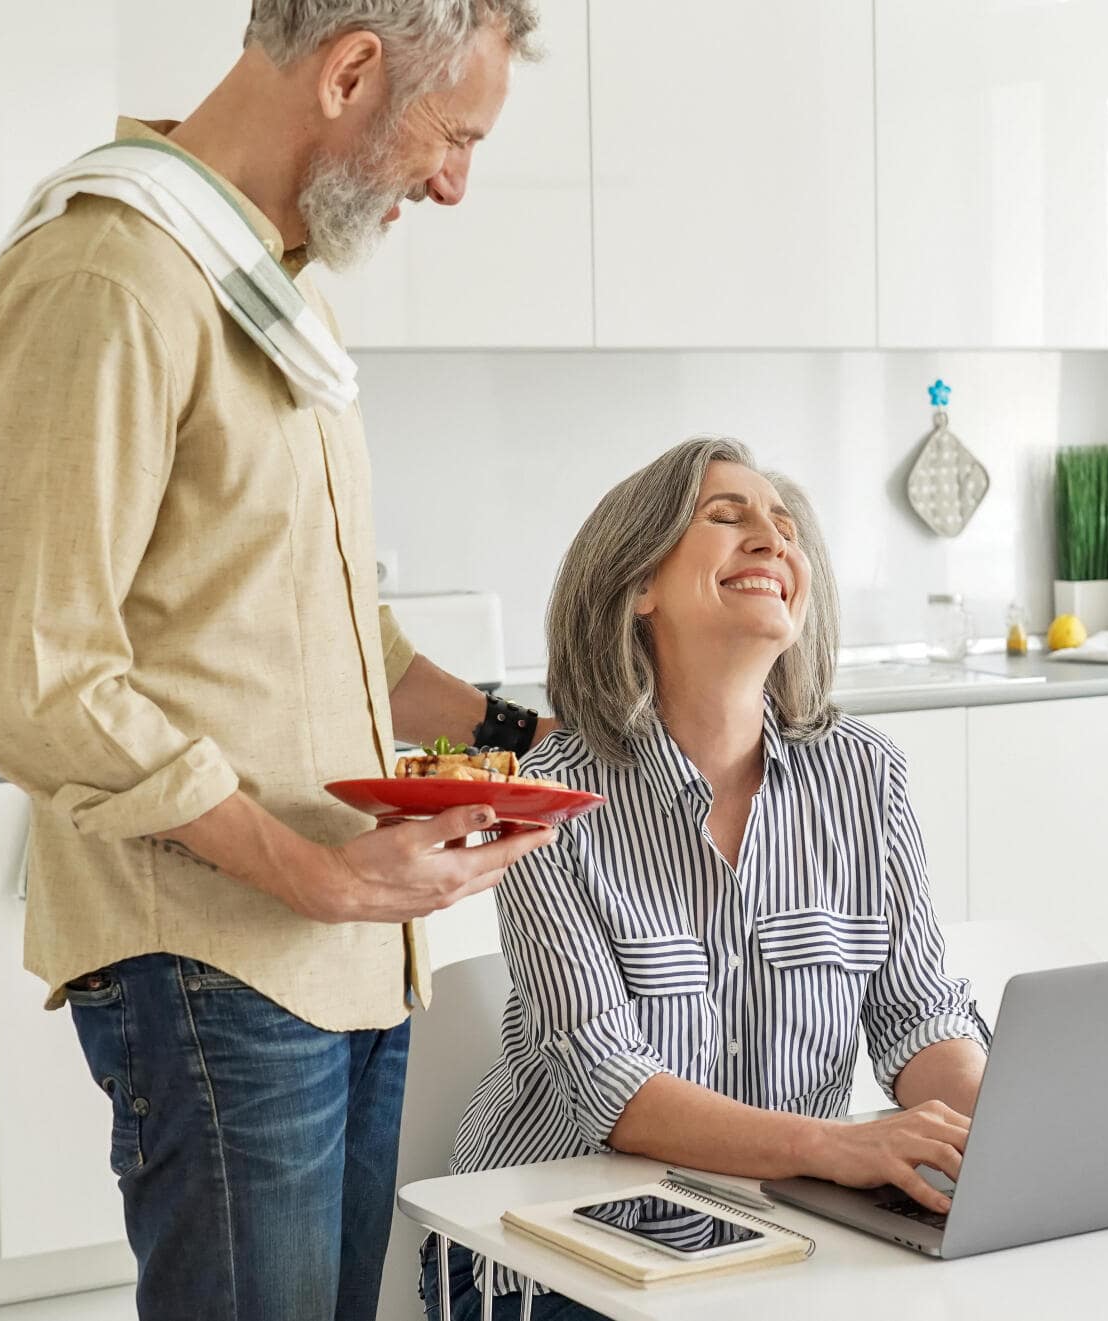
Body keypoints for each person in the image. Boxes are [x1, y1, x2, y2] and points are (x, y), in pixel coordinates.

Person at [0, 2, 551, 1316]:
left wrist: (528, 735)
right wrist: (316, 875)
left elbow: (340, 632)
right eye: (453, 136)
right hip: (219, 959)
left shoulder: (269, 286)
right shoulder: (110, 276)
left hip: (352, 955)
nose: (453, 184)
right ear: (350, 71)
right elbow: (36, 677)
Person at [422, 438, 992, 1320]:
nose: (771, 538)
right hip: (546, 1255)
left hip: (772, 1242)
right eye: (727, 517)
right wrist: (836, 1146)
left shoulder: (865, 776)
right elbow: (610, 1083)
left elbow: (917, 1016)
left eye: (786, 527)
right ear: (638, 585)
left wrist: (1016, 1127)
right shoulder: (549, 800)